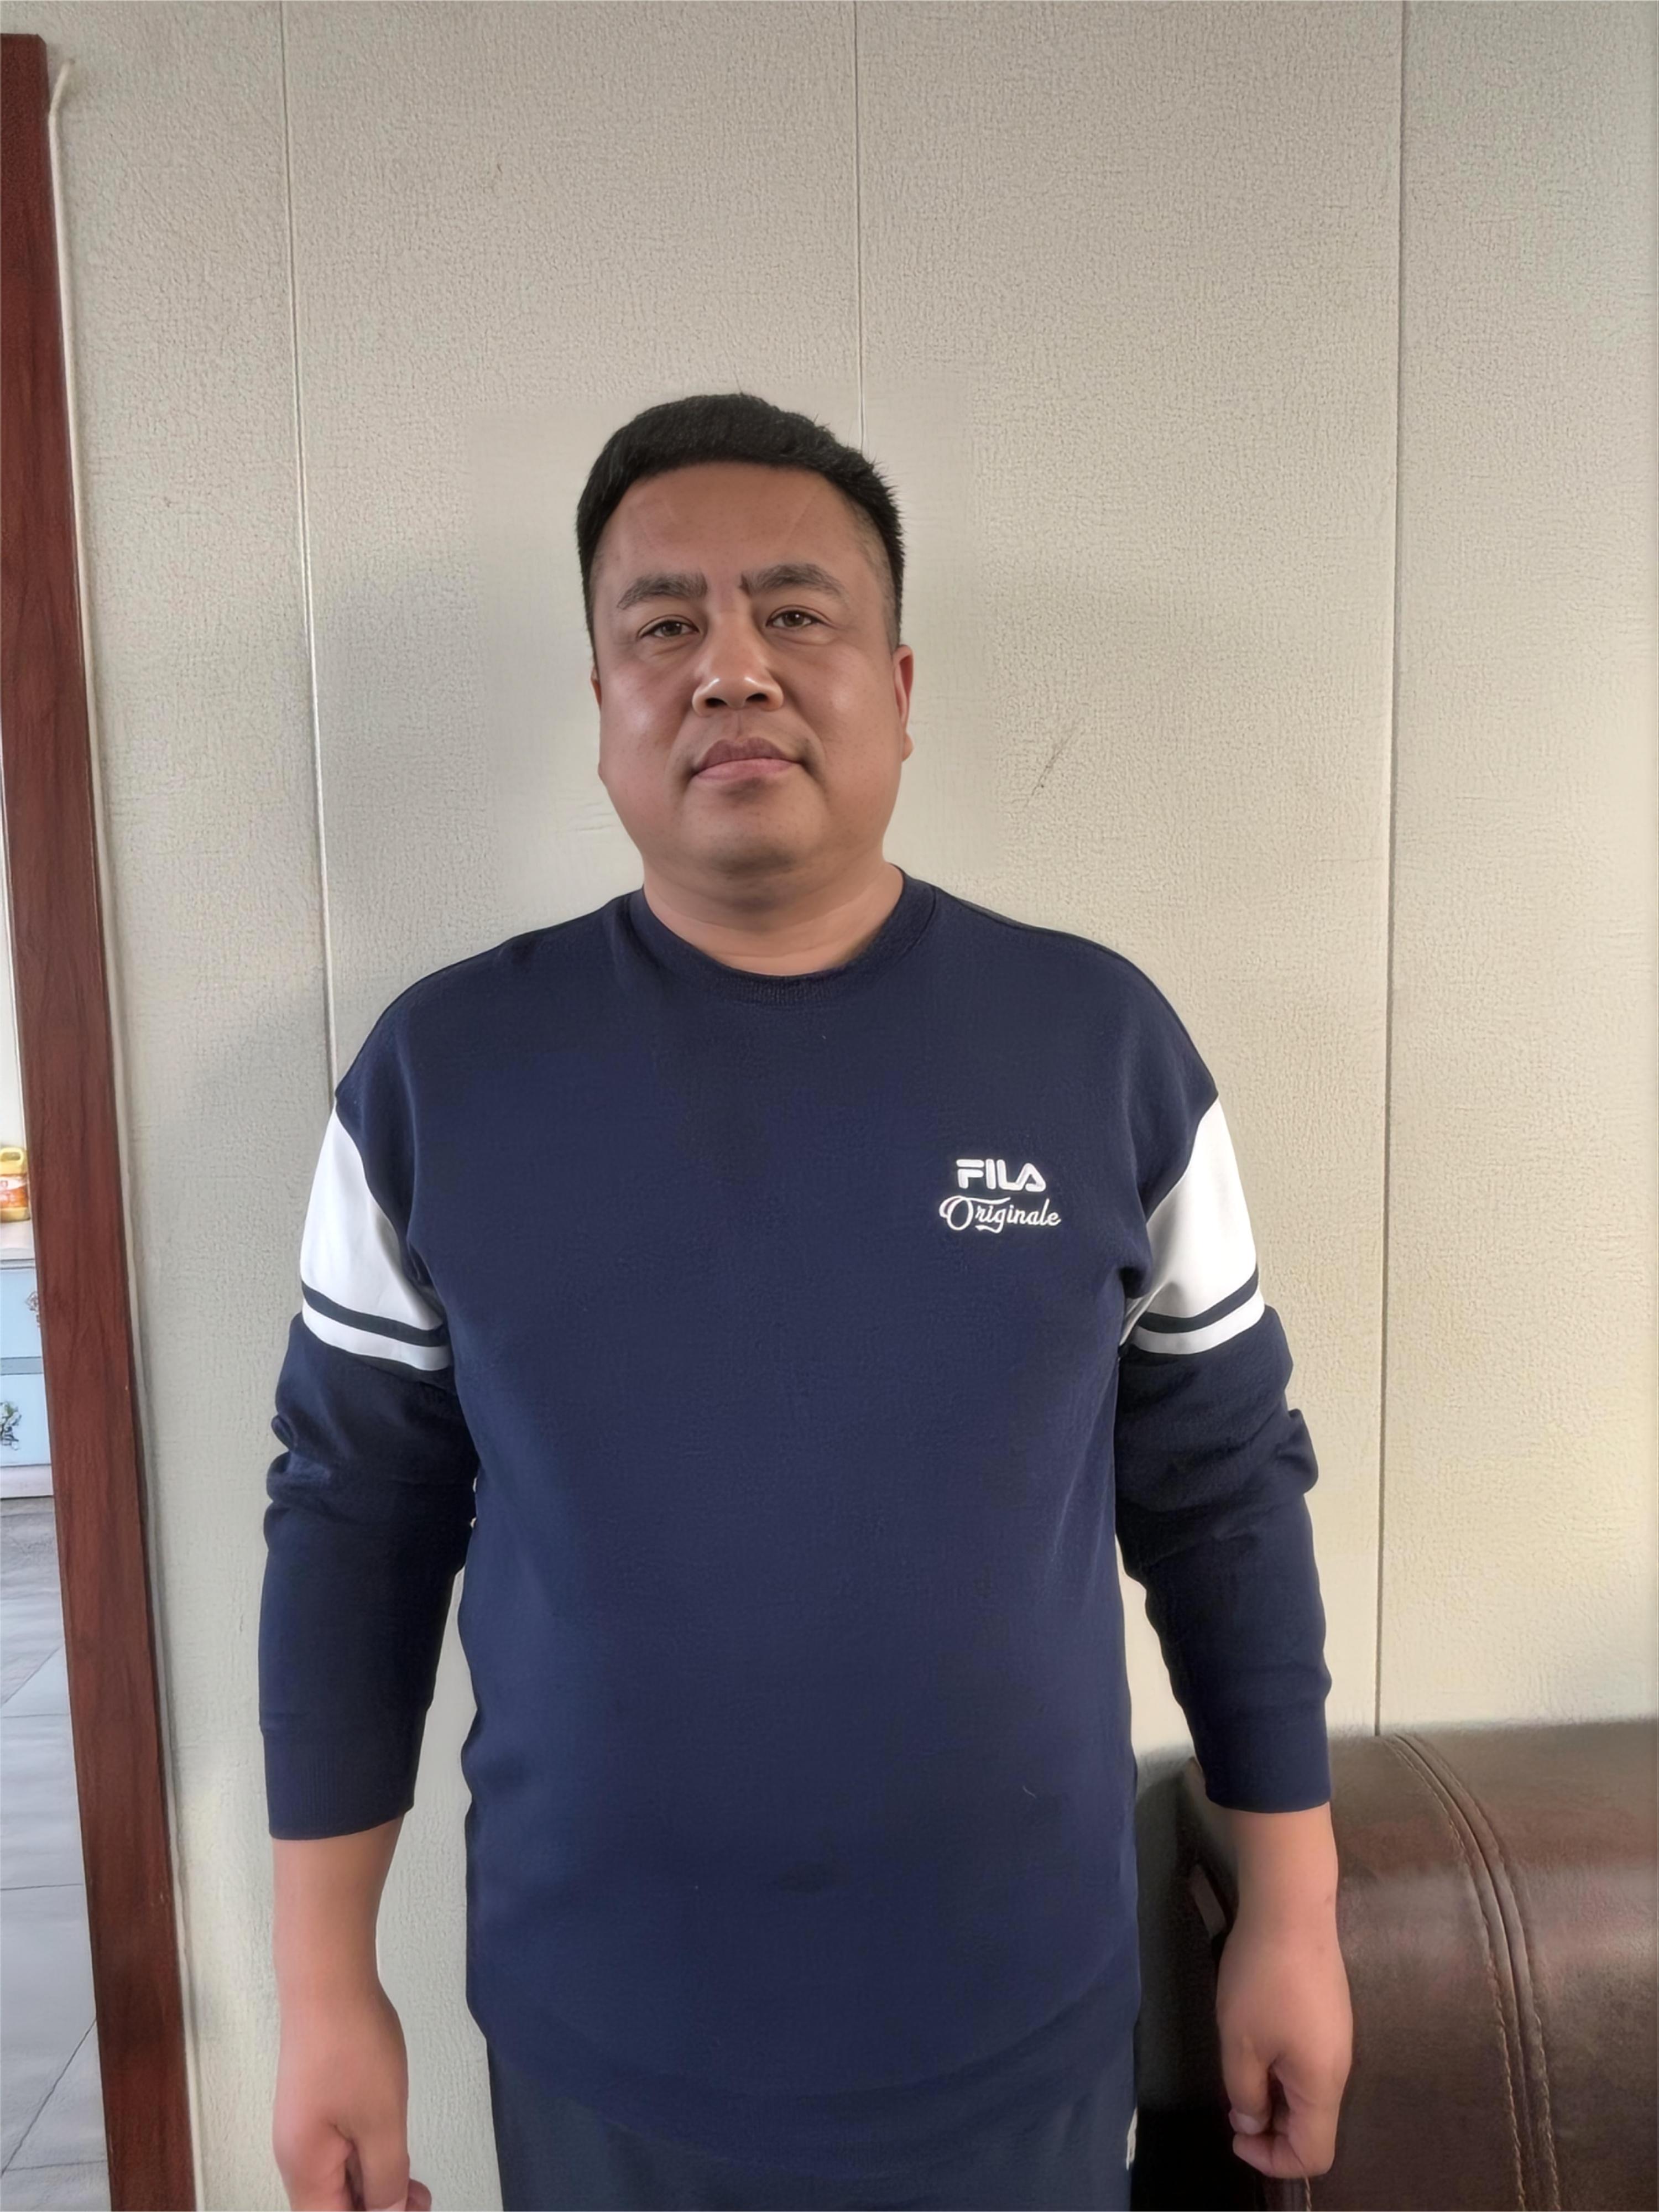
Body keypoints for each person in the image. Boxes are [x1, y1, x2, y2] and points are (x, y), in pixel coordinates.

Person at [262, 392, 1353, 2212]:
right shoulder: (438, 1082)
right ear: (602, 707)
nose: (732, 668)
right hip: (603, 2044)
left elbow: (1227, 1497)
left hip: (1019, 2034)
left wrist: (1292, 1918)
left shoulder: (1102, 1050)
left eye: (795, 612)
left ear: (901, 690)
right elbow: (349, 1534)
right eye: (663, 626)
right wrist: (320, 1992)